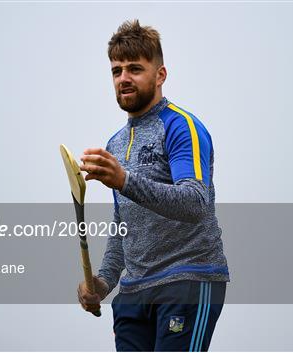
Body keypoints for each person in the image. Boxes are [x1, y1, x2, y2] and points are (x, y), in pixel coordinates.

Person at [77, 19, 229, 352]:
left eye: (135, 69)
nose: (124, 79)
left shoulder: (181, 126)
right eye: (117, 71)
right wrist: (104, 282)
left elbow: (195, 202)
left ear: (160, 75)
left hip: (187, 279)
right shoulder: (115, 144)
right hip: (134, 292)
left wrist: (124, 180)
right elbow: (123, 223)